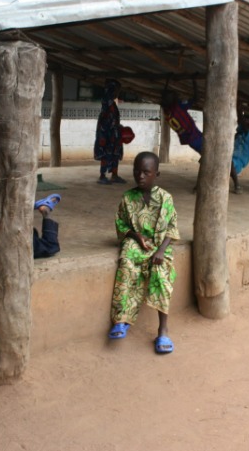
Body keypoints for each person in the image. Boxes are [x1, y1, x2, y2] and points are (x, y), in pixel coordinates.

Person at [108, 151, 179, 355]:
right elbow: (121, 224)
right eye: (137, 171)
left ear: (156, 174)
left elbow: (172, 228)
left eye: (146, 172)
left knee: (161, 276)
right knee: (126, 264)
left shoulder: (165, 198)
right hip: (138, 244)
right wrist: (136, 236)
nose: (140, 176)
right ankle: (121, 320)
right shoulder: (128, 198)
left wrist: (161, 251)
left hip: (159, 247)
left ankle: (163, 330)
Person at [94, 79, 126, 185]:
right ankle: (102, 176)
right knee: (106, 153)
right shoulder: (107, 103)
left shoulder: (111, 103)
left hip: (113, 134)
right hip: (107, 134)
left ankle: (114, 175)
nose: (118, 93)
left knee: (115, 153)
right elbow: (107, 120)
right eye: (116, 90)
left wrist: (118, 127)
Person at [160, 89, 204, 155]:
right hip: (196, 137)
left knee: (205, 155)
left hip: (190, 140)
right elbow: (193, 100)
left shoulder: (167, 113)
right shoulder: (178, 108)